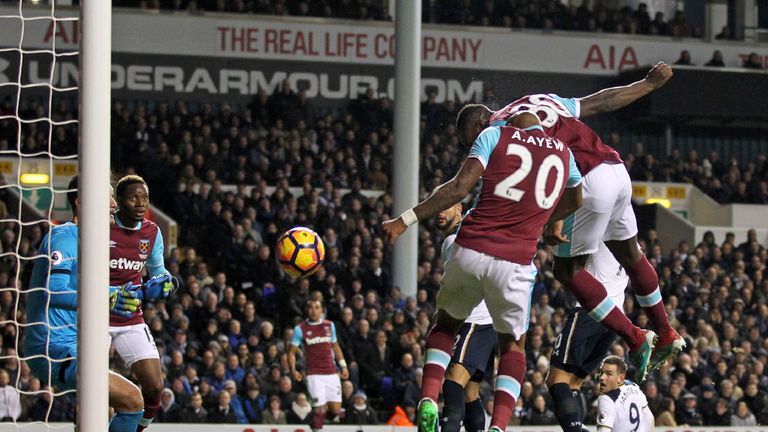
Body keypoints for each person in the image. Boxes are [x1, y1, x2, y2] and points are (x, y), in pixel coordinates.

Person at [456, 62, 683, 383]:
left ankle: (635, 338)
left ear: (480, 122)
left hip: (585, 182)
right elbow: (600, 102)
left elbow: (528, 180)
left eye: (471, 141)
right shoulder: (539, 100)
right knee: (631, 254)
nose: (476, 148)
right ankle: (665, 332)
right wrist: (647, 84)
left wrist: (551, 218)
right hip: (615, 168)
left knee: (566, 271)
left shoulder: (496, 131)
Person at [382, 111, 584, 432]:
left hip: (471, 247)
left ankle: (428, 400)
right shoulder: (563, 152)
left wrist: (404, 220)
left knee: (445, 326)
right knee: (513, 348)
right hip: (515, 261)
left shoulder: (495, 135)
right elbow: (577, 197)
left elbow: (459, 188)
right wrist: (546, 219)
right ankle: (499, 426)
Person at [22, 176, 144, 431]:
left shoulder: (92, 244)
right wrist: (104, 300)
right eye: (107, 197)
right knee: (133, 400)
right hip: (52, 346)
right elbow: (54, 292)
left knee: (102, 413)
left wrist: (136, 290)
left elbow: (90, 290)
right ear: (81, 203)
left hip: (74, 345)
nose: (114, 204)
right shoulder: (66, 237)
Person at [109, 174, 176, 431]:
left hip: (130, 318)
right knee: (91, 391)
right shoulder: (102, 226)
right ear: (119, 200)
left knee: (155, 387)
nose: (140, 203)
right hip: (96, 316)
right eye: (133, 197)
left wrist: (165, 282)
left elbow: (157, 269)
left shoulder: (151, 231)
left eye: (144, 197)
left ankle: (138, 428)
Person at [547, 242, 627, 432]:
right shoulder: (631, 246)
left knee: (556, 379)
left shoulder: (598, 234)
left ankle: (574, 430)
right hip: (615, 319)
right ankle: (578, 427)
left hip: (591, 310)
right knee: (575, 382)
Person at [436, 201, 497, 432]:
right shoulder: (457, 237)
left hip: (474, 320)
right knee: (470, 392)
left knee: (453, 382)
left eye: (446, 206)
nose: (440, 212)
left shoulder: (456, 240)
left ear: (459, 209)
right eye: (438, 208)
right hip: (485, 320)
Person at [287, 300, 349, 431]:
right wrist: (293, 370)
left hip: (332, 372)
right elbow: (291, 352)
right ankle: (317, 423)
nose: (313, 311)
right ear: (306, 310)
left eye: (317, 308)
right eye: (310, 308)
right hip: (314, 374)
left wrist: (343, 365)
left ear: (322, 310)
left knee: (336, 411)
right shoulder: (300, 329)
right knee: (320, 408)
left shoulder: (329, 325)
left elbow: (335, 346)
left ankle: (314, 420)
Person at [596, 356, 654, 432]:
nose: (602, 377)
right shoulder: (634, 387)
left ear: (620, 378)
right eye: (601, 372)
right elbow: (649, 419)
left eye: (609, 374)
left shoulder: (606, 399)